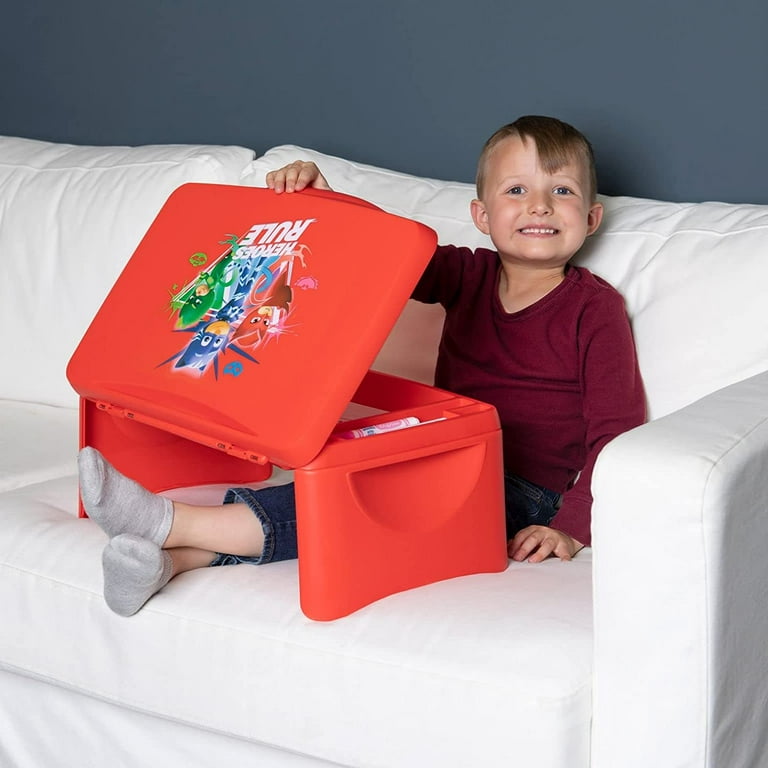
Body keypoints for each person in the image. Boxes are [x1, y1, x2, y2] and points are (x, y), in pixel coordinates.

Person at [79, 115, 645, 617]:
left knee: (370, 503)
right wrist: (327, 200)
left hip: (520, 490)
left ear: (591, 217)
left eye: (561, 190)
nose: (540, 205)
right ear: (481, 215)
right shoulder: (467, 275)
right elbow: (387, 252)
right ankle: (173, 562)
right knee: (354, 483)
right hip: (435, 450)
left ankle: (171, 521)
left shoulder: (593, 310)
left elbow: (614, 431)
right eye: (517, 189)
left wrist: (572, 525)